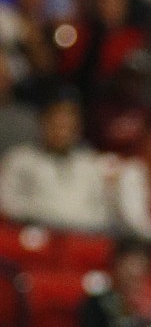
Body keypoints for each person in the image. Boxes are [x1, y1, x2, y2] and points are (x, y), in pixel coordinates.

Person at [0, 95, 114, 236]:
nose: (61, 133)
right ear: (42, 124)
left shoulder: (90, 164)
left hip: (82, 238)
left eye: (67, 127)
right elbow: (8, 204)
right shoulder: (20, 159)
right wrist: (48, 215)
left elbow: (103, 211)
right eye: (56, 126)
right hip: (35, 236)